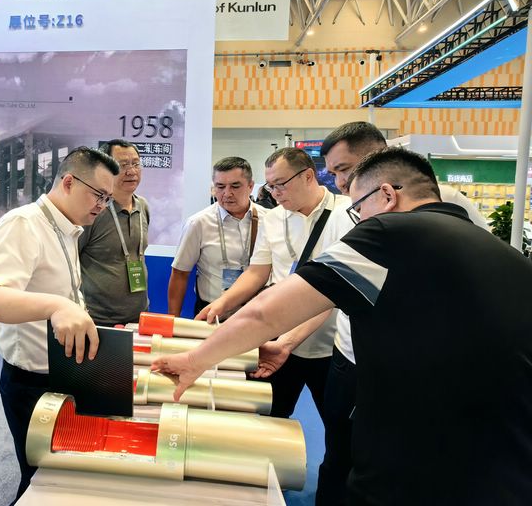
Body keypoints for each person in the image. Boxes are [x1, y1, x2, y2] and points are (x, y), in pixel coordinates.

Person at [153, 147, 532, 506]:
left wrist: (195, 360)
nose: (359, 220)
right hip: (504, 452)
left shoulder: (389, 233)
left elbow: (266, 313)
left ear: (387, 196)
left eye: (359, 208)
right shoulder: (501, 253)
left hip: (416, 448)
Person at [314, 121, 489, 506]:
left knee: (404, 460)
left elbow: (482, 271)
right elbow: (325, 287)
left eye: (345, 169)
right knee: (339, 452)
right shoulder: (344, 212)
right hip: (351, 356)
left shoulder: (448, 202)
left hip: (420, 362)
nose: (340, 183)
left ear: (381, 156)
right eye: (334, 173)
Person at [0, 146, 119, 501]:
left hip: (66, 372)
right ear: (68, 182)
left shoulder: (68, 228)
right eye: (98, 195)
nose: (102, 206)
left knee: (67, 474)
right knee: (40, 482)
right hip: (31, 382)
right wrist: (57, 305)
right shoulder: (24, 224)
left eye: (108, 199)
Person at [198, 148, 352, 419]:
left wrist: (287, 342)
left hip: (332, 343)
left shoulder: (346, 213)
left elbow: (334, 290)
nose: (275, 193)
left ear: (308, 176)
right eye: (270, 186)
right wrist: (222, 303)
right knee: (269, 417)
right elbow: (257, 272)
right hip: (278, 339)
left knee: (339, 426)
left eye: (281, 184)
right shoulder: (273, 218)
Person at [167, 157, 267, 318]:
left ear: (250, 186)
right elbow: (180, 273)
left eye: (235, 186)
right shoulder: (198, 223)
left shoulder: (269, 219)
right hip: (212, 314)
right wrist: (173, 319)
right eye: (220, 187)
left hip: (258, 314)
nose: (227, 193)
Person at [79, 139, 151, 326]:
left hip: (138, 316)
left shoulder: (143, 206)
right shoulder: (93, 210)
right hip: (97, 320)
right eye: (123, 165)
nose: (131, 171)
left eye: (136, 164)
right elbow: (70, 261)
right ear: (106, 169)